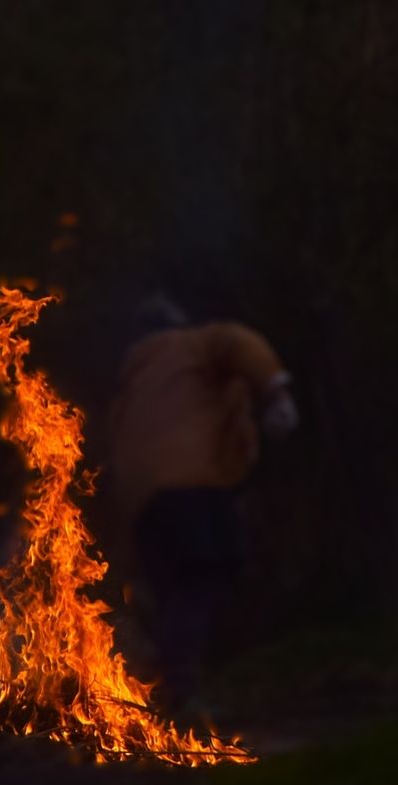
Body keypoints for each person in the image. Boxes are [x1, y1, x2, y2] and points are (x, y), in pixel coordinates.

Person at [108, 293, 298, 715]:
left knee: (174, 587)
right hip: (188, 481)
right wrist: (275, 392)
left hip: (143, 500)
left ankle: (169, 681)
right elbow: (236, 342)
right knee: (203, 577)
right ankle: (180, 690)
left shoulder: (134, 381)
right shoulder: (192, 344)